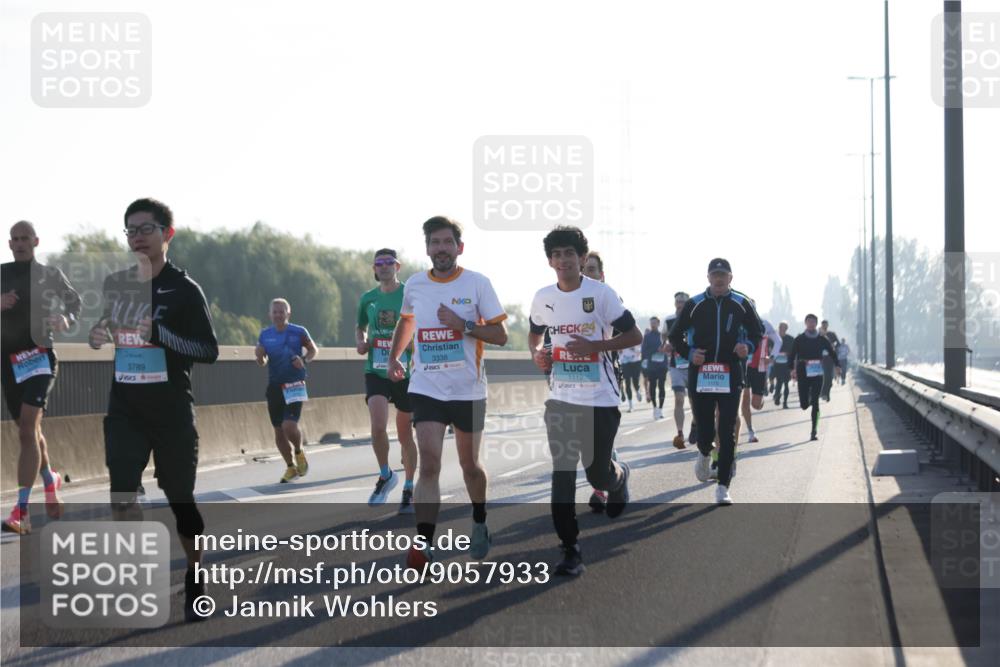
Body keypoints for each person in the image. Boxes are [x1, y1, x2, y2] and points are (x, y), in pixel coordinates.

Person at [88, 198, 219, 622]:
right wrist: (99, 330)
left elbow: (208, 351)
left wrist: (161, 333)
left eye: (146, 228)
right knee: (122, 492)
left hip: (171, 411)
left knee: (181, 500)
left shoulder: (185, 289)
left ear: (168, 233)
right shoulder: (116, 284)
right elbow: (111, 323)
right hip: (125, 406)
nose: (138, 237)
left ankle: (195, 574)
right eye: (131, 230)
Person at [388, 216, 508, 568]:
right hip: (426, 388)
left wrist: (464, 325)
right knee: (429, 463)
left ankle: (480, 520)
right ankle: (423, 544)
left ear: (459, 247)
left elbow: (500, 337)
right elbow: (407, 320)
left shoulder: (477, 284)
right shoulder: (414, 284)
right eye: (435, 243)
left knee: (470, 466)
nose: (441, 249)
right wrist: (395, 356)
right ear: (427, 249)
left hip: (468, 391)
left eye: (447, 242)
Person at [529, 226, 640, 575]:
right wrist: (538, 355)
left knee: (598, 474)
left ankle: (618, 478)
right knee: (562, 474)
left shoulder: (602, 295)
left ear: (581, 258)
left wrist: (596, 347)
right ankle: (570, 549)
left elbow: (633, 335)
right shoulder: (543, 297)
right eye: (557, 254)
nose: (563, 260)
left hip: (600, 398)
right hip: (561, 399)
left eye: (569, 254)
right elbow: (534, 335)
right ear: (550, 260)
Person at [1, 221, 81, 534]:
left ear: (36, 241)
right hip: (8, 362)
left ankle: (22, 510)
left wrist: (66, 317)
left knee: (26, 429)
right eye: (15, 239)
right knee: (28, 429)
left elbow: (75, 302)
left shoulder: (50, 275)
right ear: (9, 244)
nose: (20, 244)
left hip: (39, 358)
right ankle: (50, 479)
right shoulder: (1, 273)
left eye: (25, 239)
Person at [668, 258, 763, 505]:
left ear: (731, 278)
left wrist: (748, 347)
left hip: (730, 372)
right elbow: (675, 335)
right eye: (715, 275)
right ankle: (703, 452)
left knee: (727, 427)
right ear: (708, 278)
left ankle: (723, 486)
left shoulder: (741, 303)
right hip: (701, 373)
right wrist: (690, 353)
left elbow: (757, 331)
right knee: (706, 428)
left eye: (723, 275)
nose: (719, 279)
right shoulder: (695, 304)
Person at [356, 249, 418, 512]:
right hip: (376, 369)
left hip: (405, 371)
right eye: (379, 263)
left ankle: (409, 487)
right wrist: (361, 341)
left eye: (388, 263)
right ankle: (386, 475)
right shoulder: (368, 299)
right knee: (378, 425)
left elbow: (420, 324)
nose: (383, 267)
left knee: (405, 434)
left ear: (397, 266)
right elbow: (360, 326)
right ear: (374, 269)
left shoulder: (409, 294)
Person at [255, 298, 317, 483]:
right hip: (275, 386)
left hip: (295, 384)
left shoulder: (299, 331)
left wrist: (304, 360)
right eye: (275, 312)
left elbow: (313, 350)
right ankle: (290, 467)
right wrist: (259, 357)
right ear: (270, 314)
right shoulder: (265, 335)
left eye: (281, 312)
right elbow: (262, 362)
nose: (278, 315)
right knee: (278, 432)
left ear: (288, 314)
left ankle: (298, 452)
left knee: (289, 426)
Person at [788, 314, 842, 441]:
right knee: (804, 405)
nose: (811, 324)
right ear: (805, 323)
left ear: (816, 324)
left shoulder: (822, 339)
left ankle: (814, 431)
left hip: (817, 371)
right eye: (809, 321)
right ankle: (809, 399)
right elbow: (792, 355)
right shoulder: (799, 339)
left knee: (816, 403)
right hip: (803, 371)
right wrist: (792, 369)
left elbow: (832, 352)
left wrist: (837, 365)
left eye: (813, 322)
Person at [740, 317, 780, 444]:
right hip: (744, 365)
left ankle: (762, 390)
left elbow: (778, 341)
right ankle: (751, 431)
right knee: (745, 396)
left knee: (756, 405)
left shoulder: (765, 324)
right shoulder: (739, 321)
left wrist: (772, 357)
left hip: (760, 366)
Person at [663, 292, 694, 449]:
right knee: (679, 398)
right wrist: (665, 346)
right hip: (676, 365)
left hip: (693, 365)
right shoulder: (669, 320)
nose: (680, 303)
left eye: (683, 301)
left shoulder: (694, 318)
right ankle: (680, 433)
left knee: (695, 401)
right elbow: (664, 339)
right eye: (677, 301)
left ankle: (695, 424)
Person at [641, 317, 668, 419]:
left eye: (654, 322)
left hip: (662, 365)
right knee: (652, 386)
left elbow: (667, 349)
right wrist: (644, 366)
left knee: (661, 386)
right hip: (651, 366)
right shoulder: (647, 337)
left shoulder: (662, 336)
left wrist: (664, 350)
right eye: (651, 322)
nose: (652, 324)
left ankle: (660, 409)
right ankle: (655, 408)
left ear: (658, 323)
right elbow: (644, 352)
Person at [772, 321, 795, 408]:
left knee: (786, 383)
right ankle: (777, 396)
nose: (782, 329)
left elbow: (794, 351)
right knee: (779, 382)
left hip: (787, 364)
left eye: (784, 328)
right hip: (777, 364)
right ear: (779, 328)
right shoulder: (775, 338)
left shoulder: (790, 339)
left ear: (786, 329)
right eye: (781, 328)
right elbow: (770, 349)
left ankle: (785, 402)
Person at [819, 320, 840, 401]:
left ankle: (826, 393)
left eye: (825, 325)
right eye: (823, 325)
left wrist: (833, 345)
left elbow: (838, 344)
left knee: (829, 378)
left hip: (830, 358)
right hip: (821, 359)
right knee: (823, 377)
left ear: (827, 325)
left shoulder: (831, 334)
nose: (824, 326)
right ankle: (823, 393)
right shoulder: (818, 335)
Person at [619, 343, 642, 412]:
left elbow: (640, 350)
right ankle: (631, 406)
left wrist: (634, 348)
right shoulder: (619, 337)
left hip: (635, 361)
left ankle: (637, 390)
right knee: (627, 383)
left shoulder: (634, 336)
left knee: (635, 382)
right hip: (625, 362)